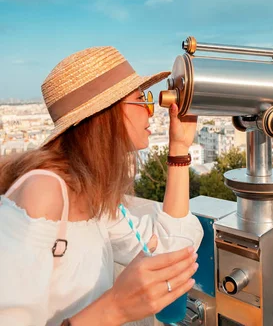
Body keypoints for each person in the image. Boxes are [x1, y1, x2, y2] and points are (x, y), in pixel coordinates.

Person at [0, 47, 204, 325]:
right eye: (140, 99)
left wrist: (179, 149)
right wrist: (116, 307)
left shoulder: (93, 196)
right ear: (105, 115)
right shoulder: (43, 192)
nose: (151, 112)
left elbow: (168, 250)